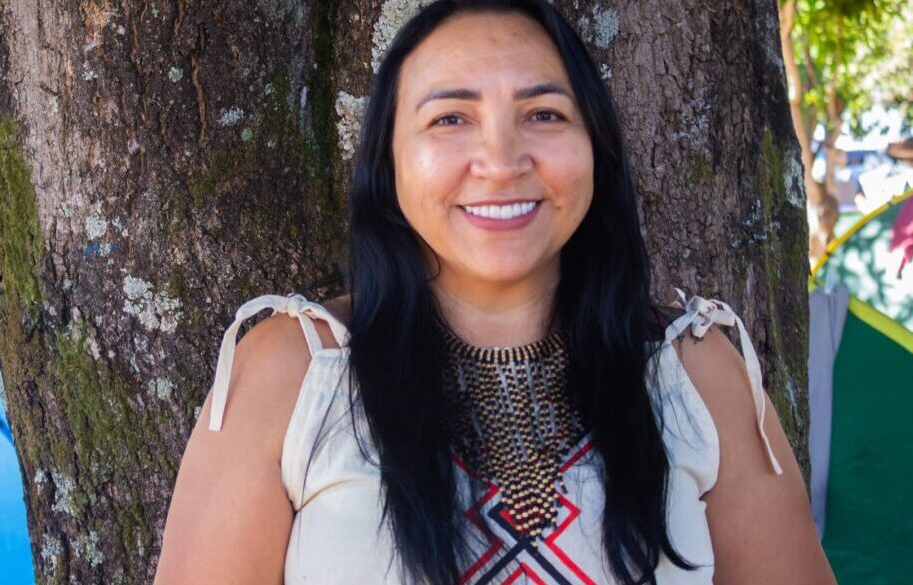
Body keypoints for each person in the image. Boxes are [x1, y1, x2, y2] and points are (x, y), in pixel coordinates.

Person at [154, 1, 835, 583]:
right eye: (450, 118)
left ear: (595, 147)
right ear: (389, 161)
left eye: (544, 114)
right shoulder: (293, 372)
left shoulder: (695, 373)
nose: (503, 162)